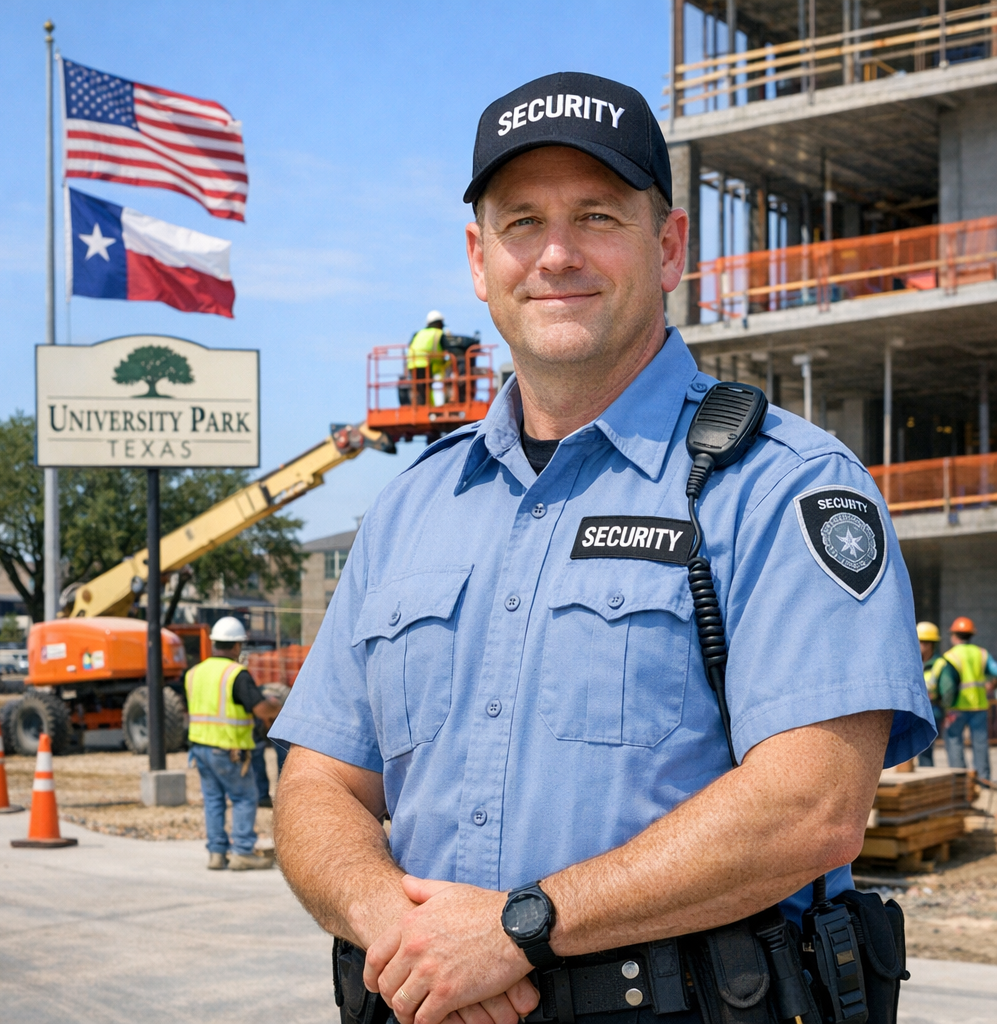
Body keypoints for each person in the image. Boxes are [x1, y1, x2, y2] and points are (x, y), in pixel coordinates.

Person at [271, 71, 934, 1024]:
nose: (556, 255)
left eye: (597, 216)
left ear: (667, 248)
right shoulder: (412, 508)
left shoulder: (783, 482)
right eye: (521, 222)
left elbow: (813, 806)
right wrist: (397, 927)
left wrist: (516, 931)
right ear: (477, 257)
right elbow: (319, 780)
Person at [187, 616, 283, 870]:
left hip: (199, 747)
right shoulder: (235, 674)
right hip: (228, 749)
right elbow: (260, 708)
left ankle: (217, 854)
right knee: (244, 797)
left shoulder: (195, 672)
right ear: (237, 646)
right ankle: (242, 851)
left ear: (214, 643)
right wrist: (278, 706)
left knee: (214, 799)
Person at [942, 616, 995, 782]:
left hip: (957, 707)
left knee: (953, 740)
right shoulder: (982, 653)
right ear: (971, 635)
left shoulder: (951, 656)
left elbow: (947, 685)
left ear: (954, 636)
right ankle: (984, 780)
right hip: (979, 706)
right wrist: (991, 685)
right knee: (980, 744)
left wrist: (945, 704)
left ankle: (960, 780)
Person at [917, 621, 959, 767]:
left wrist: (946, 710)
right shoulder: (914, 664)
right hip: (916, 710)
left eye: (922, 642)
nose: (918, 645)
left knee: (924, 749)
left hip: (933, 711)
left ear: (930, 644)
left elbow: (948, 690)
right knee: (917, 750)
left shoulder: (940, 664)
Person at [402, 311, 447, 407]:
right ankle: (430, 405)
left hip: (412, 364)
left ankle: (421, 405)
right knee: (427, 387)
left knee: (419, 388)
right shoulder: (438, 333)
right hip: (425, 364)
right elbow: (447, 350)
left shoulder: (418, 333)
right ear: (439, 323)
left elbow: (409, 347)